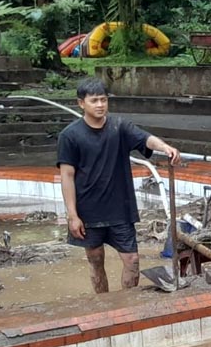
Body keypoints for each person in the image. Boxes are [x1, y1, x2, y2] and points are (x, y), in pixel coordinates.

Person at [58, 78, 181, 294]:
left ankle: (126, 302)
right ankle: (104, 303)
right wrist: (72, 215)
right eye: (94, 100)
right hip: (89, 211)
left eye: (103, 100)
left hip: (120, 209)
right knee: (96, 260)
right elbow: (67, 176)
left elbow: (145, 138)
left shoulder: (119, 127)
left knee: (132, 260)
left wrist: (165, 147)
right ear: (81, 103)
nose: (100, 105)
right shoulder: (70, 136)